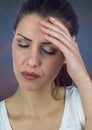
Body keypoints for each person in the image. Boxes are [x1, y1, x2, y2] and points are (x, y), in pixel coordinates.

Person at [0, 0, 92, 129]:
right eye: (23, 44)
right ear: (13, 42)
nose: (33, 62)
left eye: (48, 50)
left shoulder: (82, 106)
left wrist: (83, 80)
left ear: (67, 53)